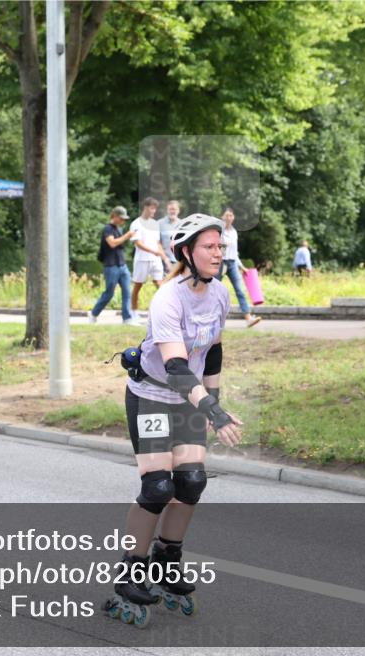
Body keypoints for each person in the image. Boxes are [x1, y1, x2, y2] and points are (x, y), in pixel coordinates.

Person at [103, 213, 244, 627]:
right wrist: (213, 412)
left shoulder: (219, 295)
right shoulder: (167, 298)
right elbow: (178, 367)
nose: (219, 253)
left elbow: (212, 353)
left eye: (221, 246)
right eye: (210, 247)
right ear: (187, 252)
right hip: (151, 399)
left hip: (190, 402)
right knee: (158, 486)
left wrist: (212, 401)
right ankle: (131, 571)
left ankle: (167, 561)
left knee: (192, 482)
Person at [89, 206, 143, 326]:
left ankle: (127, 319)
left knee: (127, 291)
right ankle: (93, 314)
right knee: (109, 293)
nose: (123, 221)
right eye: (122, 218)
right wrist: (127, 236)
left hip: (122, 265)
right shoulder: (107, 229)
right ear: (115, 216)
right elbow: (112, 243)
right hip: (111, 266)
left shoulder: (118, 229)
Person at [217, 207, 262, 328]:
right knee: (213, 290)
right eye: (226, 215)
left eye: (231, 216)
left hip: (232, 264)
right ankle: (209, 318)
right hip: (220, 263)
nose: (229, 218)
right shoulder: (218, 231)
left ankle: (248, 318)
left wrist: (241, 266)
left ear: (233, 218)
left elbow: (235, 252)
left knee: (240, 290)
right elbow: (216, 249)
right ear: (222, 217)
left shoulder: (234, 232)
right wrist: (223, 245)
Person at [129, 197, 170, 315]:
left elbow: (157, 243)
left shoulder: (155, 224)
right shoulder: (135, 224)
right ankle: (134, 314)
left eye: (155, 209)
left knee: (160, 285)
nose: (154, 211)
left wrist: (164, 257)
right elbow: (138, 243)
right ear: (146, 207)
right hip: (142, 260)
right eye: (152, 208)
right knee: (137, 286)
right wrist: (153, 251)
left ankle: (164, 312)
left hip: (155, 260)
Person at [158, 199, 181, 273]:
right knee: (165, 283)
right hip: (163, 261)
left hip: (179, 261)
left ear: (178, 210)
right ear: (167, 210)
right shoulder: (159, 223)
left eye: (174, 209)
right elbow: (158, 243)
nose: (172, 211)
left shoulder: (183, 224)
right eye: (170, 209)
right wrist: (166, 260)